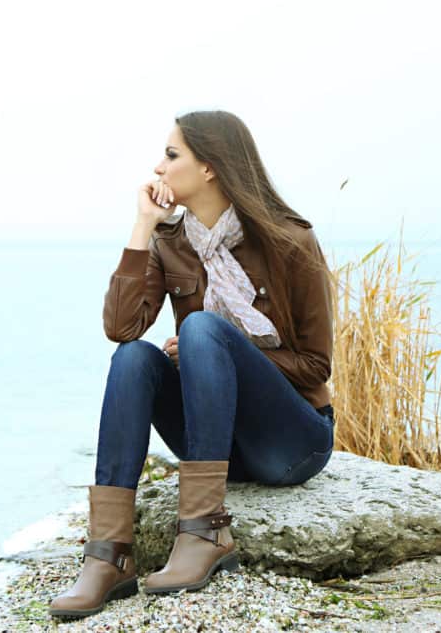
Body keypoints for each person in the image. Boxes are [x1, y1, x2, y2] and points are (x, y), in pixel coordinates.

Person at [48, 110, 336, 619]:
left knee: (203, 328)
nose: (158, 167)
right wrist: (143, 226)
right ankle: (109, 554)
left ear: (210, 168)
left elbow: (315, 367)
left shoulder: (291, 240)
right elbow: (121, 328)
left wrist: (230, 346)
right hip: (215, 444)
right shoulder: (172, 242)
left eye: (171, 154)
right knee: (135, 356)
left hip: (291, 443)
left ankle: (205, 532)